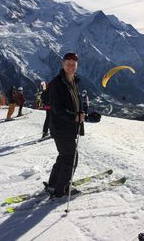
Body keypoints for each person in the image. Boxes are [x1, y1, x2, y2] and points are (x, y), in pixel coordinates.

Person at [46, 52, 85, 198]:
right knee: (71, 157)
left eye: (73, 64)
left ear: (76, 65)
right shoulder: (57, 83)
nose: (71, 67)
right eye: (68, 64)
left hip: (68, 127)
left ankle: (53, 184)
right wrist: (75, 117)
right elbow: (57, 109)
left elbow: (75, 103)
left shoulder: (73, 81)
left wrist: (83, 113)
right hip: (61, 128)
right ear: (63, 64)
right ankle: (61, 189)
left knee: (64, 156)